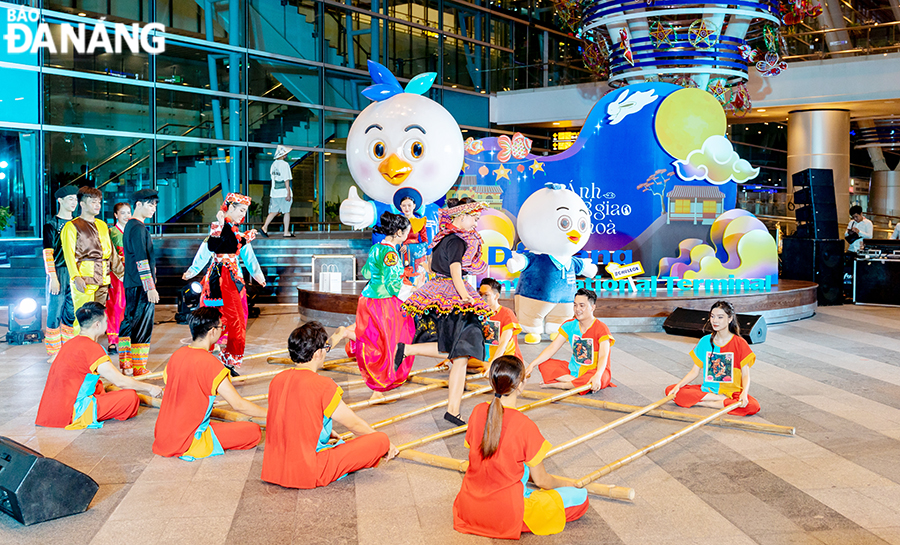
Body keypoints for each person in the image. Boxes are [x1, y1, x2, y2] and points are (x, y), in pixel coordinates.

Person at [453, 355, 589, 539]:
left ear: (493, 382)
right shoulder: (525, 425)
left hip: (468, 508)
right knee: (580, 497)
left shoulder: (477, 412)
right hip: (507, 513)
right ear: (520, 385)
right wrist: (568, 483)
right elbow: (542, 481)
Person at [262, 322, 398, 489]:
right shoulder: (323, 384)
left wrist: (323, 429)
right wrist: (386, 444)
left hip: (273, 469)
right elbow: (354, 424)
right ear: (318, 353)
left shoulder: (277, 379)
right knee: (380, 440)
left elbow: (289, 416)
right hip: (309, 471)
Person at [399, 198, 493, 426]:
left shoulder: (442, 238)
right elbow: (455, 271)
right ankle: (407, 349)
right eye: (474, 218)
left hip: (441, 292)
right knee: (459, 351)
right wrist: (466, 297)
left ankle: (453, 410)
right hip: (453, 298)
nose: (476, 223)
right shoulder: (458, 241)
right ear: (462, 217)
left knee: (458, 354)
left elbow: (430, 266)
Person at [152, 307, 265, 461]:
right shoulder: (211, 363)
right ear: (212, 331)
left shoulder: (176, 355)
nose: (222, 331)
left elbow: (176, 387)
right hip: (188, 440)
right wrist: (272, 414)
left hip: (162, 435)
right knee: (253, 431)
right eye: (221, 327)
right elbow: (238, 405)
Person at [36, 302, 162, 429]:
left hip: (50, 411)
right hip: (72, 412)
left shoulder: (69, 344)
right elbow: (120, 381)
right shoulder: (93, 349)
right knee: (130, 397)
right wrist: (150, 388)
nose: (107, 324)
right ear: (97, 324)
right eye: (106, 321)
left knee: (99, 386)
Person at [344, 212, 416, 401]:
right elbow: (394, 286)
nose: (408, 236)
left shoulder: (376, 247)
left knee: (374, 340)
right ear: (399, 233)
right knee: (391, 341)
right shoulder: (391, 253)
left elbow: (366, 271)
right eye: (407, 233)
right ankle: (381, 385)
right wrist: (414, 290)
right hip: (384, 303)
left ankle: (379, 382)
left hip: (367, 299)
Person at [195, 193, 266, 374]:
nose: (243, 215)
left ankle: (229, 360)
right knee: (214, 316)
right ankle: (208, 355)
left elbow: (249, 256)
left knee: (237, 317)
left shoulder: (239, 233)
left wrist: (257, 274)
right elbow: (208, 248)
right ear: (230, 208)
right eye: (241, 210)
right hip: (218, 277)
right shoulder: (218, 228)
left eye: (245, 211)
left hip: (234, 278)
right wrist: (193, 270)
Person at [665, 301, 760, 416]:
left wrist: (744, 393)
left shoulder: (740, 343)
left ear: (730, 319)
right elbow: (694, 371)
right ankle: (718, 400)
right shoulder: (705, 341)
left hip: (731, 392)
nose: (715, 321)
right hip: (708, 390)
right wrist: (678, 386)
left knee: (753, 406)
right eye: (712, 316)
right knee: (671, 390)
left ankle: (706, 403)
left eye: (720, 317)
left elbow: (745, 375)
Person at [525, 288, 614, 394]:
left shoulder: (601, 328)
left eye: (582, 305)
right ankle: (581, 385)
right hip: (574, 371)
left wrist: (598, 375)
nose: (577, 309)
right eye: (575, 305)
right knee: (544, 364)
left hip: (596, 371)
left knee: (600, 378)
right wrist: (532, 364)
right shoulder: (569, 325)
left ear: (592, 307)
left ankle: (559, 385)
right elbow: (553, 347)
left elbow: (603, 356)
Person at [61, 187, 122, 329]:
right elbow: (68, 255)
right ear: (82, 204)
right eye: (93, 202)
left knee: (99, 318)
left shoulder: (102, 225)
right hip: (85, 277)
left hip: (103, 277)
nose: (97, 206)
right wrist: (76, 277)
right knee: (83, 317)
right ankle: (81, 349)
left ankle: (92, 347)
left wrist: (122, 273)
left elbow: (112, 252)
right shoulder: (72, 226)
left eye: (99, 202)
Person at [119, 189, 160, 377]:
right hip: (140, 284)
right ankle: (137, 366)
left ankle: (128, 364)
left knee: (131, 321)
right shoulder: (137, 228)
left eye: (155, 204)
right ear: (138, 204)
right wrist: (150, 287)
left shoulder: (131, 226)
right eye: (150, 204)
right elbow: (141, 259)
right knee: (141, 324)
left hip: (134, 282)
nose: (154, 208)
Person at [43, 186, 79, 358]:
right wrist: (53, 277)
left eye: (76, 199)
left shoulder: (78, 224)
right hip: (58, 271)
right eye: (70, 199)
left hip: (75, 272)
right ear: (60, 200)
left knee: (71, 312)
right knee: (54, 311)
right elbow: (48, 253)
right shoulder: (51, 225)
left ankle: (68, 348)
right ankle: (54, 351)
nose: (74, 203)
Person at [467, 278, 522, 373]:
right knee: (459, 359)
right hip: (483, 358)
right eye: (480, 294)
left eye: (486, 295)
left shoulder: (507, 313)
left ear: (496, 296)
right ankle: (485, 366)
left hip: (503, 358)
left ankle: (489, 367)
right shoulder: (478, 313)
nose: (482, 298)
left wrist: (493, 363)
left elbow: (503, 343)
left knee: (506, 365)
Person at [105, 202, 130, 355]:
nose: (126, 216)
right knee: (115, 305)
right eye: (123, 213)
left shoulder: (133, 230)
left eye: (128, 212)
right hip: (116, 273)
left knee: (129, 305)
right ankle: (112, 340)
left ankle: (126, 337)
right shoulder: (111, 232)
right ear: (116, 215)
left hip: (131, 273)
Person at [397, 192, 430, 291]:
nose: (406, 208)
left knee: (417, 283)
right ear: (400, 207)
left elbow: (425, 243)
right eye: (404, 205)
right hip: (399, 254)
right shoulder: (397, 222)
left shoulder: (419, 222)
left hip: (415, 257)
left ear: (414, 206)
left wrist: (409, 247)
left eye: (409, 205)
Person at [260, 145, 294, 237]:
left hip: (274, 193)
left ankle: (265, 227)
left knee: (273, 211)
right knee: (286, 212)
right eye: (286, 153)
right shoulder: (285, 165)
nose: (286, 155)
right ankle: (286, 232)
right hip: (283, 193)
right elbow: (286, 179)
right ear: (283, 155)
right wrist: (288, 193)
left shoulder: (273, 164)